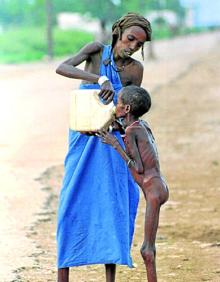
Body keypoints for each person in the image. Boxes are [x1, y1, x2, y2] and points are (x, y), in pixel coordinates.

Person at [56, 13, 152, 282]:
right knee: (72, 202)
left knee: (113, 205)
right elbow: (62, 67)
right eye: (130, 39)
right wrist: (99, 79)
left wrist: (121, 129)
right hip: (83, 138)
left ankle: (110, 276)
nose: (132, 46)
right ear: (118, 32)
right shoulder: (95, 51)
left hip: (112, 142)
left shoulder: (135, 70)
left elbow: (132, 109)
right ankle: (63, 273)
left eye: (138, 44)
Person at [98, 85, 169, 282]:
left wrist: (115, 145)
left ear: (127, 109)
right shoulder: (141, 125)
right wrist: (117, 129)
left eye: (119, 103)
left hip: (152, 190)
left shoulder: (130, 131)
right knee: (148, 248)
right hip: (158, 185)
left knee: (147, 249)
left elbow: (137, 167)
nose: (116, 106)